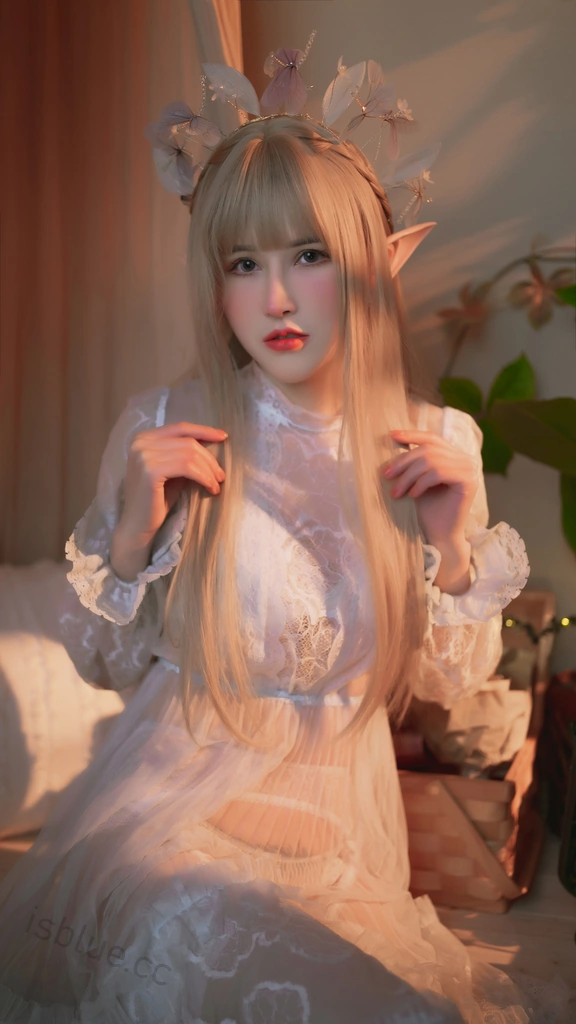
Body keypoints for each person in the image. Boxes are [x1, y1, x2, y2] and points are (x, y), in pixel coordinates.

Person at [0, 114, 533, 1023]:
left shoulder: (437, 443)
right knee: (199, 929)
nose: (276, 298)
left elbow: (449, 687)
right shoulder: (163, 425)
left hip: (336, 839)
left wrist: (450, 553)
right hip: (168, 821)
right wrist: (132, 537)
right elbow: (102, 663)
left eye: (309, 255)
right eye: (243, 263)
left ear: (379, 264)